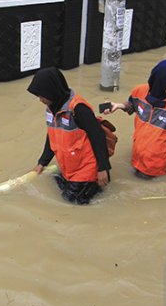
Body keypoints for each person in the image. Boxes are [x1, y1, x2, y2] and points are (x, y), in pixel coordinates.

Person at [28, 67, 110, 204]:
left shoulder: (78, 108)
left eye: (42, 96)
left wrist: (103, 168)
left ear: (52, 91)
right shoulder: (51, 109)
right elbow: (52, 135)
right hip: (71, 167)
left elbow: (98, 137)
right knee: (55, 180)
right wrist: (42, 162)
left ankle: (96, 186)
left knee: (72, 200)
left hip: (86, 169)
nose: (40, 100)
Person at [105, 59, 166, 179]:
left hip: (156, 161)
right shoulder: (140, 91)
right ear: (160, 81)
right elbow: (132, 104)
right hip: (137, 154)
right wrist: (120, 105)